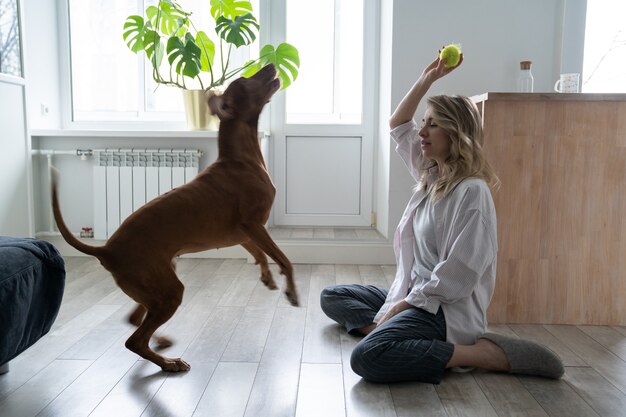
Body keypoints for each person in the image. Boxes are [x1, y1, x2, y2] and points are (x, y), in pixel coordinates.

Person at [320, 51, 564, 383]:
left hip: (443, 310)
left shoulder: (472, 192)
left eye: (433, 125)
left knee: (368, 358)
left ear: (456, 134)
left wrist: (401, 308)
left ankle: (482, 354)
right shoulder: (432, 173)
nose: (422, 131)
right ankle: (391, 332)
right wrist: (428, 79)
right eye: (424, 122)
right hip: (416, 293)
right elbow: (398, 125)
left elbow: (455, 278)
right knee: (333, 297)